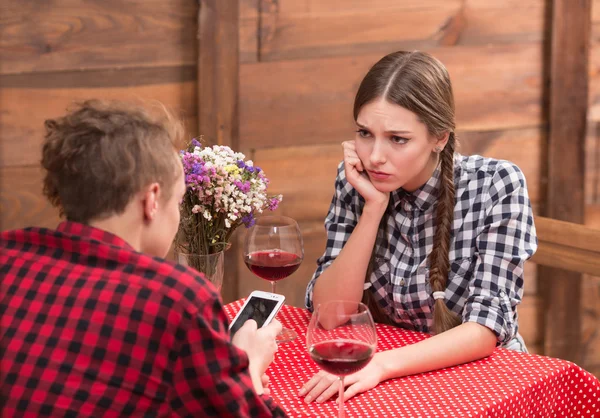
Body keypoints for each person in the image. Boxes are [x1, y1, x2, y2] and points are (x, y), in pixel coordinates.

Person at [0, 100, 287, 417]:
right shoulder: (178, 298)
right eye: (178, 202)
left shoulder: (8, 253)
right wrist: (249, 367)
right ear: (151, 200)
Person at [299, 51, 538, 404]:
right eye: (365, 133)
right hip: (389, 383)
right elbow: (332, 315)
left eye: (398, 139)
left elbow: (484, 330)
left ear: (439, 137)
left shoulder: (496, 184)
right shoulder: (355, 181)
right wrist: (373, 209)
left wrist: (381, 365)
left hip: (481, 384)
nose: (375, 156)